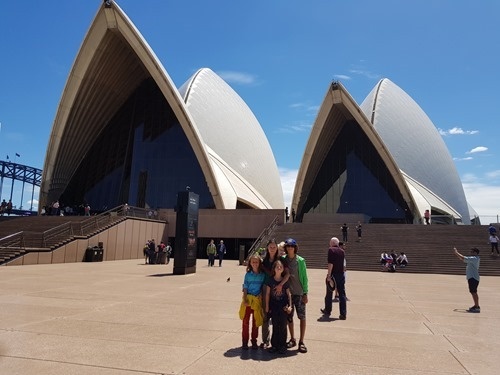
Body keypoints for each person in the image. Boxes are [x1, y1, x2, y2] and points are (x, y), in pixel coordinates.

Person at [260, 239, 289, 349]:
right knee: (266, 315)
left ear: (277, 248)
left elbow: (287, 275)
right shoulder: (264, 261)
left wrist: (281, 285)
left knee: (279, 316)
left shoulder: (281, 260)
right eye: (270, 247)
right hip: (266, 288)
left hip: (278, 288)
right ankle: (265, 340)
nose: (272, 249)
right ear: (267, 248)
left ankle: (279, 342)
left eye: (274, 247)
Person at [281, 238, 309, 353]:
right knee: (289, 317)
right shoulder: (283, 260)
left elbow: (304, 277)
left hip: (299, 292)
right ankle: (292, 339)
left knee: (302, 317)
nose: (290, 248)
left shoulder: (300, 261)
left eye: (292, 246)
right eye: (288, 246)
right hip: (288, 294)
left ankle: (302, 341)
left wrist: (306, 293)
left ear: (295, 247)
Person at [265, 260, 292, 354]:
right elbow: (268, 294)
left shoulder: (285, 281)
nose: (279, 268)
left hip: (283, 307)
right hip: (274, 307)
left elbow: (289, 294)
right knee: (275, 326)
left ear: (283, 269)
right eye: (277, 267)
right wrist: (267, 307)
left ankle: (282, 345)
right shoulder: (271, 280)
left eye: (281, 267)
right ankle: (274, 345)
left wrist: (290, 306)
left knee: (283, 326)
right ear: (274, 269)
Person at [239, 254, 265, 350]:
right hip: (248, 299)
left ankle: (254, 340)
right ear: (250, 263)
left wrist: (261, 294)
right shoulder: (248, 274)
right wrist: (244, 298)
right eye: (253, 262)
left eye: (256, 262)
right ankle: (244, 341)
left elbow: (263, 286)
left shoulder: (262, 275)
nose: (255, 263)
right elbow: (245, 287)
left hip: (257, 300)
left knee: (256, 321)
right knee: (245, 321)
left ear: (259, 263)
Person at [321, 237, 347, 320]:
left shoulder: (331, 250)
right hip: (341, 274)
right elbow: (343, 264)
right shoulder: (342, 251)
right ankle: (343, 313)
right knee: (342, 294)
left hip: (333, 275)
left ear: (332, 243)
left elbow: (330, 263)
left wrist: (329, 275)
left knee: (329, 293)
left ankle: (328, 310)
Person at [453, 247, 480, 313]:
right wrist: (457, 254)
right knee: (473, 292)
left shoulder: (474, 258)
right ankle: (476, 305)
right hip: (472, 277)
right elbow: (463, 259)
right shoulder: (473, 259)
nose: (471, 253)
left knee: (474, 292)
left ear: (475, 253)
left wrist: (456, 252)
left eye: (472, 252)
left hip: (473, 277)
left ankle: (477, 307)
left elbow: (464, 258)